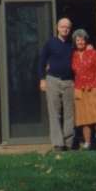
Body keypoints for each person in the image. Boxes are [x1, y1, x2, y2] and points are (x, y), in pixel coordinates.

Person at [39, 17, 75, 151]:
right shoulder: (50, 43)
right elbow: (41, 61)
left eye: (67, 27)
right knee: (54, 113)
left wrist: (89, 47)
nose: (65, 29)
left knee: (69, 113)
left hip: (69, 82)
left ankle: (69, 143)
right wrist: (42, 79)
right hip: (52, 80)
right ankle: (58, 144)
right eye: (62, 27)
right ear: (57, 28)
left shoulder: (72, 44)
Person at [70, 29, 96, 150]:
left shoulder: (94, 53)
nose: (80, 42)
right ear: (75, 42)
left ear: (86, 40)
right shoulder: (73, 55)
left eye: (82, 39)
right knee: (84, 119)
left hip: (94, 88)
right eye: (78, 40)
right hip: (79, 89)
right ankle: (87, 143)